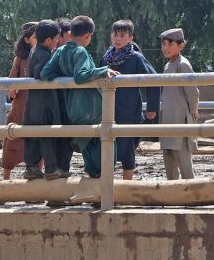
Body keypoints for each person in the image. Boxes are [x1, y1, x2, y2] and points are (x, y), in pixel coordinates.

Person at [40, 15, 119, 178]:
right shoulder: (80, 51)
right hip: (90, 110)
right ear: (88, 36)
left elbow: (45, 73)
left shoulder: (61, 51)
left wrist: (62, 75)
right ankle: (104, 196)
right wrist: (102, 70)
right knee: (106, 150)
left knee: (88, 151)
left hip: (73, 111)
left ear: (70, 32)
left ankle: (94, 191)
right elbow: (80, 76)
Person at [102, 19, 160, 180]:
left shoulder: (135, 57)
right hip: (108, 110)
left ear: (130, 38)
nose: (117, 38)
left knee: (127, 149)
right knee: (107, 146)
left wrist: (152, 108)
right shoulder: (106, 58)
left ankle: (127, 184)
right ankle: (107, 185)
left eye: (122, 35)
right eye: (115, 34)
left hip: (129, 110)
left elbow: (153, 79)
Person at [22, 20, 69, 179]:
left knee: (33, 134)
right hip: (45, 102)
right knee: (46, 133)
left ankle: (31, 166)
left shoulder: (35, 50)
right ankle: (51, 168)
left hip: (34, 101)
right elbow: (41, 73)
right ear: (49, 40)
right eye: (56, 38)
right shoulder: (44, 54)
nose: (58, 41)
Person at [158, 28, 199, 179]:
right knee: (169, 159)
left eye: (170, 44)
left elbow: (193, 91)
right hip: (168, 119)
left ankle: (191, 194)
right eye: (163, 44)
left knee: (184, 161)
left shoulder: (183, 64)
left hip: (180, 119)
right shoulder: (168, 66)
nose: (166, 48)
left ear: (181, 46)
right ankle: (172, 193)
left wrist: (194, 111)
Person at [2, 22, 38, 180]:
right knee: (12, 141)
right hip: (20, 107)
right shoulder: (20, 59)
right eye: (37, 37)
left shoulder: (49, 55)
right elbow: (11, 80)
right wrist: (12, 88)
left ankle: (35, 179)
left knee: (38, 141)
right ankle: (5, 179)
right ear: (27, 39)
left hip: (38, 107)